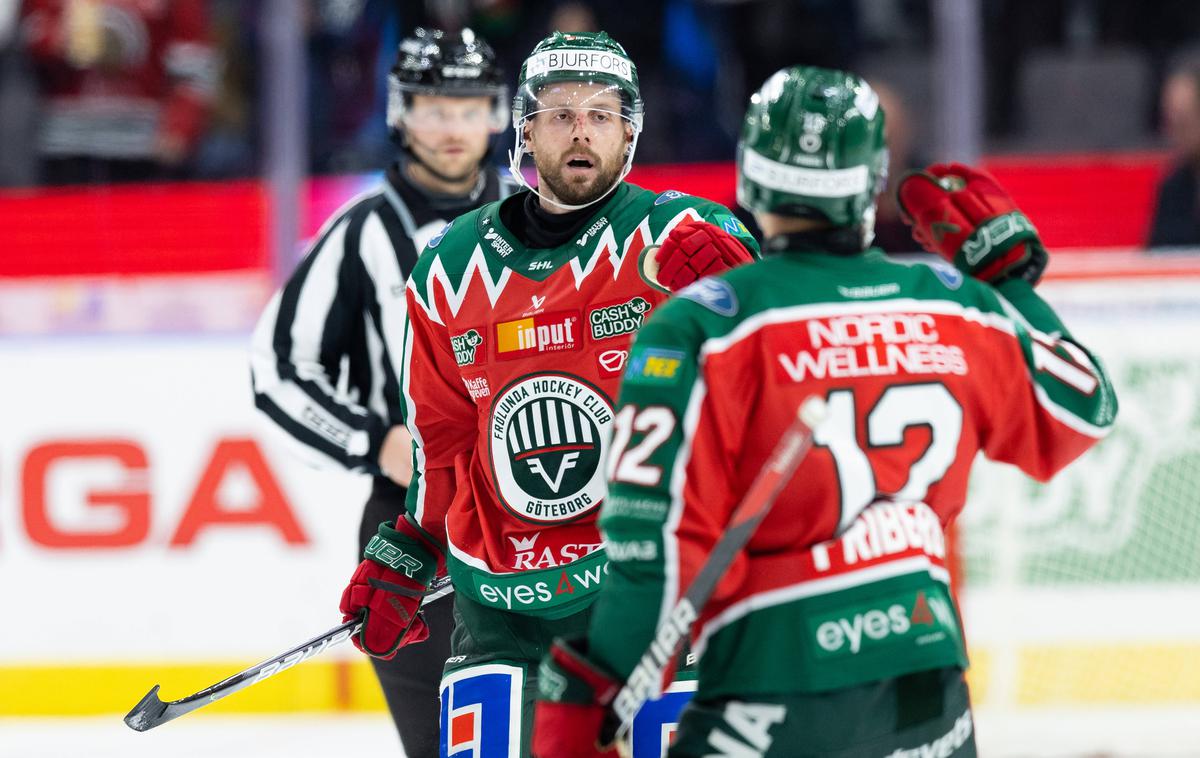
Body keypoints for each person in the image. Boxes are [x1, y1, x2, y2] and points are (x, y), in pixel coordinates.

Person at [532, 65, 1118, 757]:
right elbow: (1084, 407)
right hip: (929, 700)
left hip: (775, 697)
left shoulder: (705, 326)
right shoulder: (953, 302)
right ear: (871, 181)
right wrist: (1012, 285)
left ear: (749, 176)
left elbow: (655, 554)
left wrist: (587, 695)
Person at [337, 30, 759, 758]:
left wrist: (744, 300)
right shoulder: (448, 270)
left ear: (630, 131)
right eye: (560, 114)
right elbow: (443, 446)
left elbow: (776, 379)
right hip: (504, 613)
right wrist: (412, 543)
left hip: (661, 595)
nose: (581, 131)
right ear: (525, 128)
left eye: (602, 114)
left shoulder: (680, 237)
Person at [250, 27, 513, 758]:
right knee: (442, 744)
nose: (453, 127)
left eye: (468, 108)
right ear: (401, 113)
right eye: (433, 108)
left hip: (543, 517)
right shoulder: (362, 231)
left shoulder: (543, 219)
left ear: (497, 113)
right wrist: (374, 440)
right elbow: (278, 371)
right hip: (412, 527)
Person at [20, 0, 215, 184]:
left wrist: (180, 126)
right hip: (65, 142)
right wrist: (58, 37)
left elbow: (193, 65)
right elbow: (24, 37)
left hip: (141, 146)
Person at [1148, 54, 1200, 247]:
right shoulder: (1173, 188)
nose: (1173, 132)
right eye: (1170, 121)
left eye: (1184, 121)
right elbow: (1156, 256)